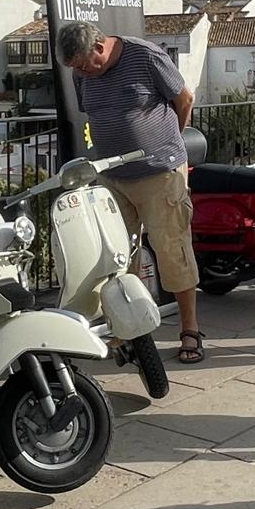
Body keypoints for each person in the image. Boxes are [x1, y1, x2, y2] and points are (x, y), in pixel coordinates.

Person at [56, 22, 205, 363]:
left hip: (159, 174)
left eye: (82, 64)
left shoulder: (145, 56)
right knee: (117, 257)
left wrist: (169, 142)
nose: (81, 73)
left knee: (173, 251)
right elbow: (94, 113)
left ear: (99, 47)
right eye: (75, 68)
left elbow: (185, 98)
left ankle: (190, 331)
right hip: (112, 176)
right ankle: (127, 333)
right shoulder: (82, 74)